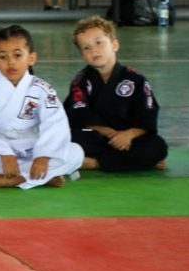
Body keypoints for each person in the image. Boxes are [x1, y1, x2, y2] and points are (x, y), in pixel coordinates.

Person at [0, 24, 84, 188]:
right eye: (3, 57)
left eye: (17, 55)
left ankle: (11, 179)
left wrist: (44, 155)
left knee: (76, 153)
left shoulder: (42, 89)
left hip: (31, 144)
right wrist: (4, 152)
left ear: (31, 58)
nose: (10, 62)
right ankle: (41, 178)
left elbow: (55, 124)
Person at [64, 16, 168, 172]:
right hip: (95, 136)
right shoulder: (81, 80)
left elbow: (147, 115)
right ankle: (132, 162)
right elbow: (77, 114)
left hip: (129, 139)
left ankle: (94, 163)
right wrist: (107, 132)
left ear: (114, 44)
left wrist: (129, 134)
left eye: (99, 42)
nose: (94, 50)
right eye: (86, 48)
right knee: (69, 138)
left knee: (157, 146)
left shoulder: (135, 79)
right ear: (82, 56)